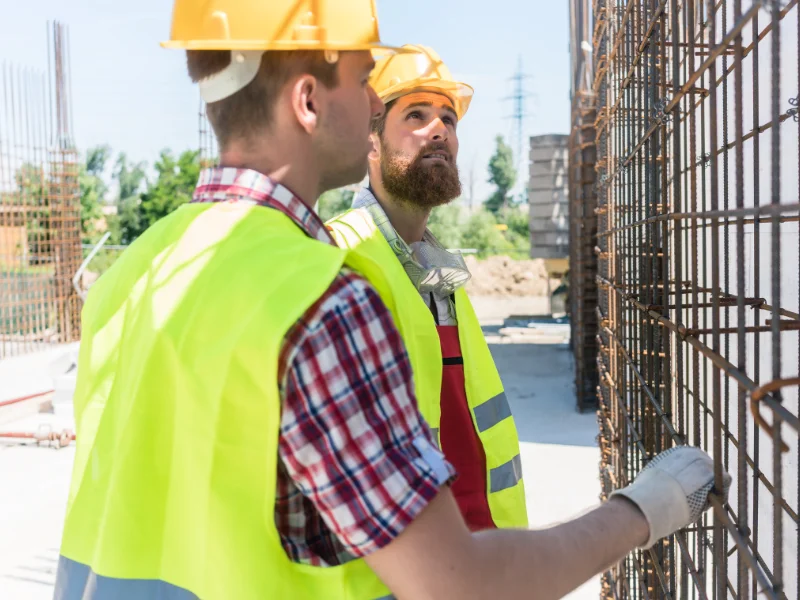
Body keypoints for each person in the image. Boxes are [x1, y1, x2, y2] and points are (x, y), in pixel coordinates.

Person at [55, 2, 731, 599]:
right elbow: (452, 584)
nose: (373, 104)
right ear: (309, 101)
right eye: (362, 81)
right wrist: (645, 510)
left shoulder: (133, 272)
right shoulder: (320, 294)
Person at [327, 46, 527, 532]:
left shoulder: (443, 274)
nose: (439, 130)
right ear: (369, 141)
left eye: (448, 120)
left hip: (487, 556)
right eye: (415, 115)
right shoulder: (336, 256)